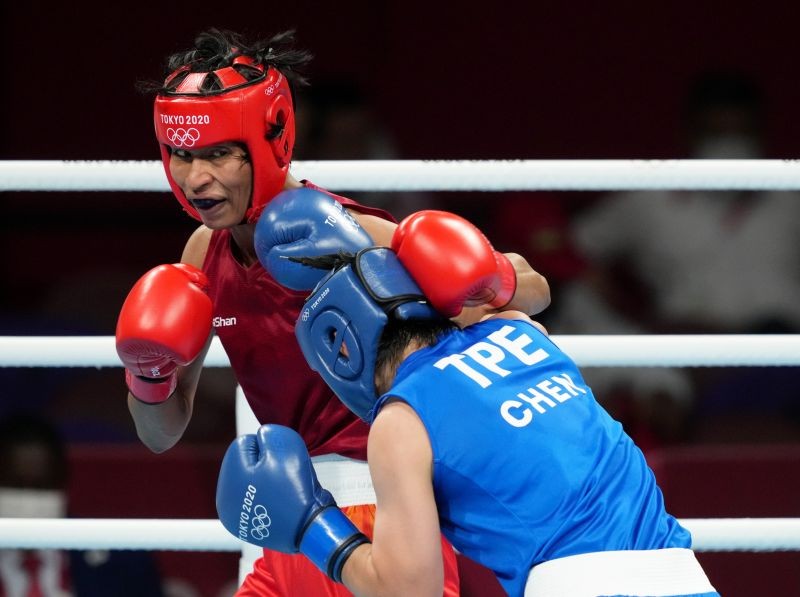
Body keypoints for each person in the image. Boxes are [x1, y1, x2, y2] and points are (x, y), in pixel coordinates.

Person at [118, 28, 551, 596]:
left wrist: (483, 277)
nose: (195, 178)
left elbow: (535, 290)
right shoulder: (203, 253)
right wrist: (149, 375)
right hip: (288, 520)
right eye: (181, 154)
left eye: (219, 153)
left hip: (382, 515)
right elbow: (161, 434)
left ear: (269, 138)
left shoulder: (352, 234)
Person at [216, 210, 719, 597]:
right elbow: (523, 288)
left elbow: (411, 589)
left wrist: (312, 527)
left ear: (343, 353)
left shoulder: (401, 420)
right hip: (684, 573)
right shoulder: (519, 332)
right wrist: (480, 272)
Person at [0, 413, 164, 597]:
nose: (28, 498)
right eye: (16, 485)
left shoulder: (124, 560)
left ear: (62, 482)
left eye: (41, 486)